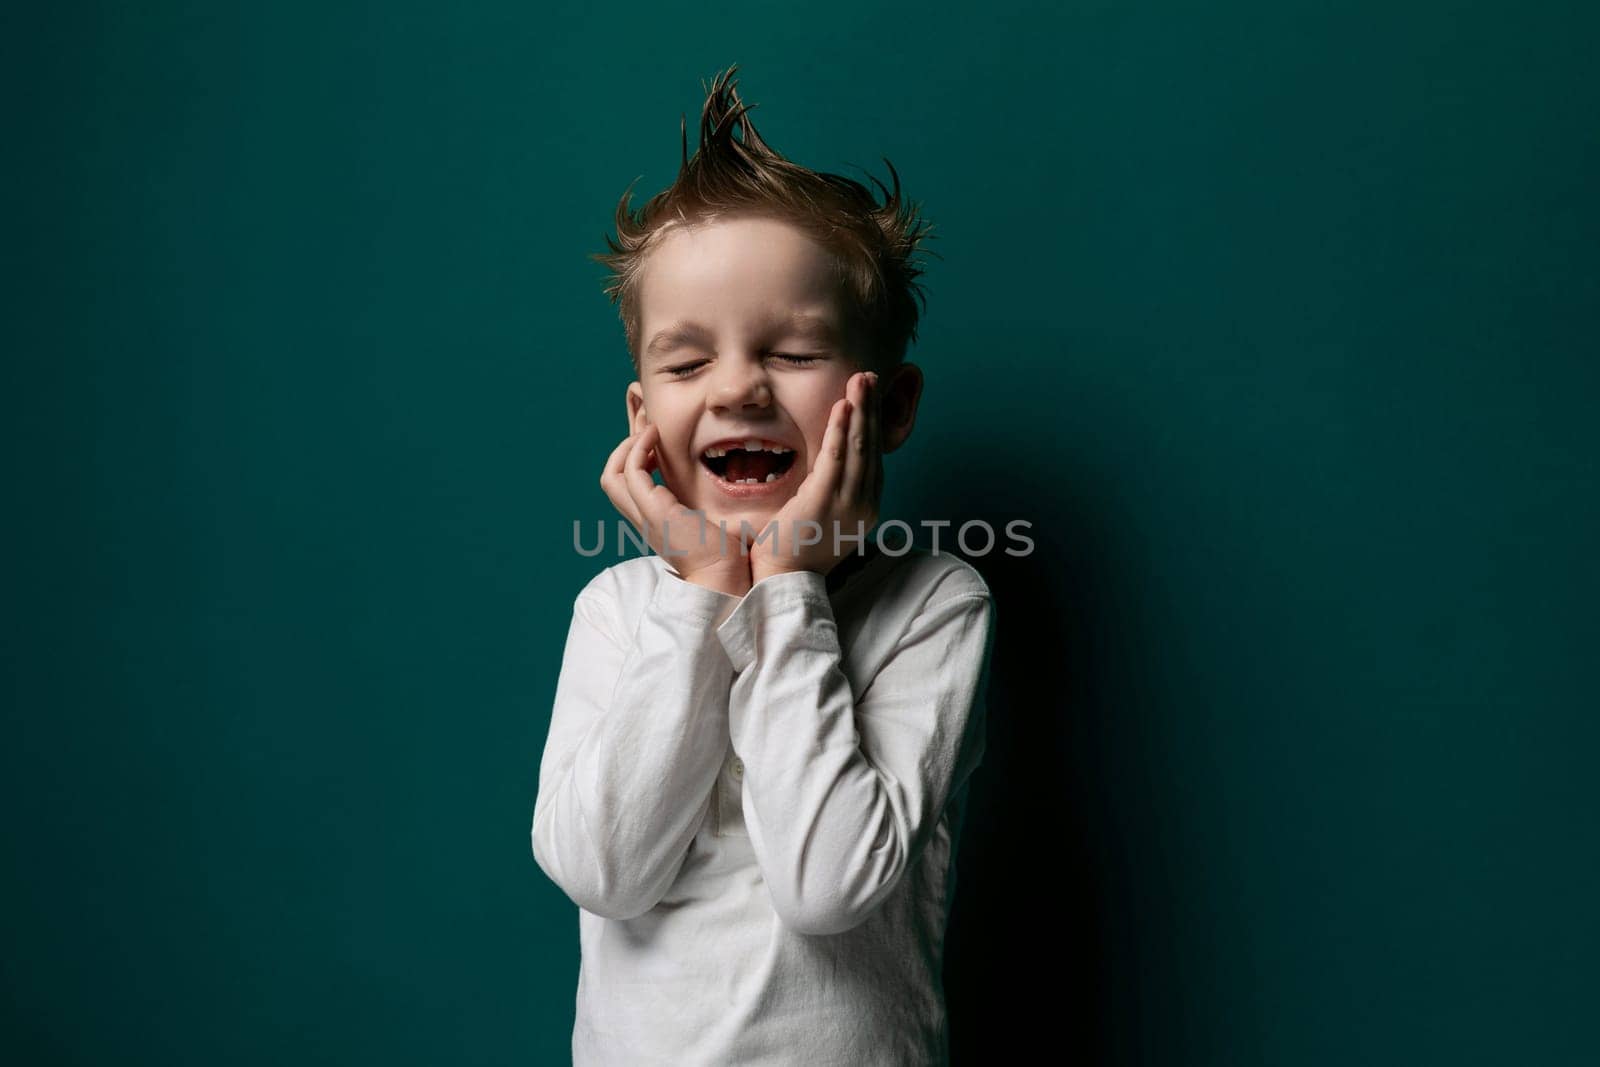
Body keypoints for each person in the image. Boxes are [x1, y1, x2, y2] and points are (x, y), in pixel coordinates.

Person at [531, 64, 997, 1066]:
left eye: (791, 352)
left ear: (892, 405)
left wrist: (787, 587)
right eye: (687, 363)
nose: (737, 386)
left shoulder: (934, 603)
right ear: (643, 417)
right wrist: (703, 592)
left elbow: (828, 885)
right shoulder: (617, 607)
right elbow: (603, 870)